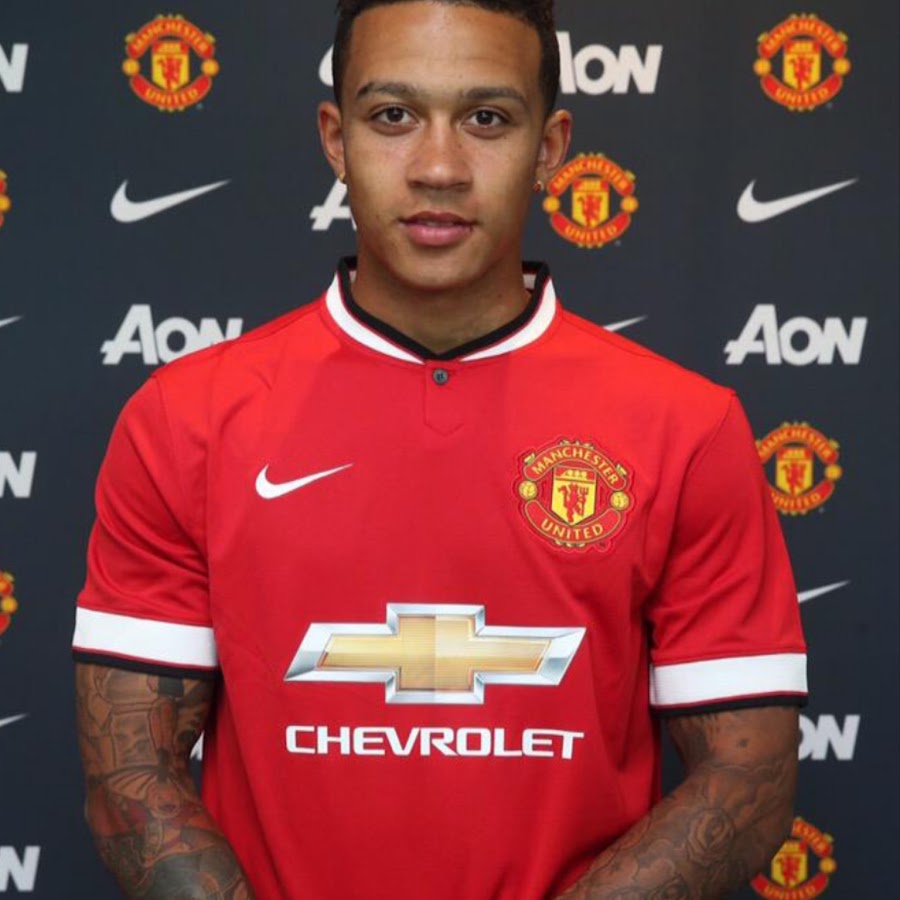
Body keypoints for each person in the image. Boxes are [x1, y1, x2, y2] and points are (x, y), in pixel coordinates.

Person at [73, 2, 807, 898]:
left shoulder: (685, 426)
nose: (438, 168)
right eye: (393, 116)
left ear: (550, 147)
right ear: (336, 139)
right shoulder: (185, 418)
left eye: (486, 119)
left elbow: (748, 778)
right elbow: (131, 778)